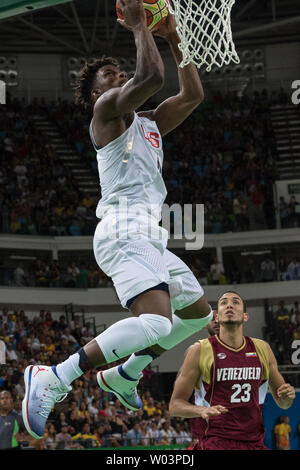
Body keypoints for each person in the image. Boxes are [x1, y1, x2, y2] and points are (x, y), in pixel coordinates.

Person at [22, 0, 215, 440]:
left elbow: (193, 96)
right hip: (123, 231)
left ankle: (127, 373)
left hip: (152, 236)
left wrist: (173, 37)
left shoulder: (146, 121)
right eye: (108, 75)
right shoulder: (106, 112)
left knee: (197, 314)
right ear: (96, 93)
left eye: (118, 72)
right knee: (157, 323)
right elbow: (151, 77)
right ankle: (55, 376)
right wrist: (137, 27)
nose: (118, 76)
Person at [169, 291, 296, 450]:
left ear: (245, 316)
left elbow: (284, 403)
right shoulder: (199, 350)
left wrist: (287, 397)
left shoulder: (263, 348)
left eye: (236, 302)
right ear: (216, 317)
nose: (229, 305)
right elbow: (174, 406)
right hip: (216, 442)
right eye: (223, 302)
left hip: (254, 442)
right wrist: (201, 410)